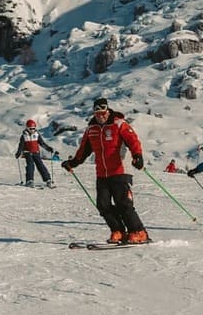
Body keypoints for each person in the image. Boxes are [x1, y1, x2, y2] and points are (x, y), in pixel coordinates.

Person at [61, 97, 150, 244]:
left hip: (120, 170)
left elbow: (133, 140)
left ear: (107, 111)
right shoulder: (91, 129)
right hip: (102, 173)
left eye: (103, 112)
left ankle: (138, 231)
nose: (101, 116)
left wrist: (137, 156)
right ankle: (118, 231)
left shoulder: (119, 124)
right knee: (103, 205)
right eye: (97, 113)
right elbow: (84, 149)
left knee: (123, 204)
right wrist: (73, 163)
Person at [15, 119, 59, 187]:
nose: (32, 130)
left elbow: (42, 143)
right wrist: (18, 153)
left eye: (34, 128)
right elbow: (21, 145)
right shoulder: (24, 136)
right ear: (27, 128)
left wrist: (48, 148)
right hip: (28, 153)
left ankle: (48, 179)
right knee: (30, 166)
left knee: (40, 165)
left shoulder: (37, 134)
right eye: (31, 129)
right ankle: (29, 180)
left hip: (36, 153)